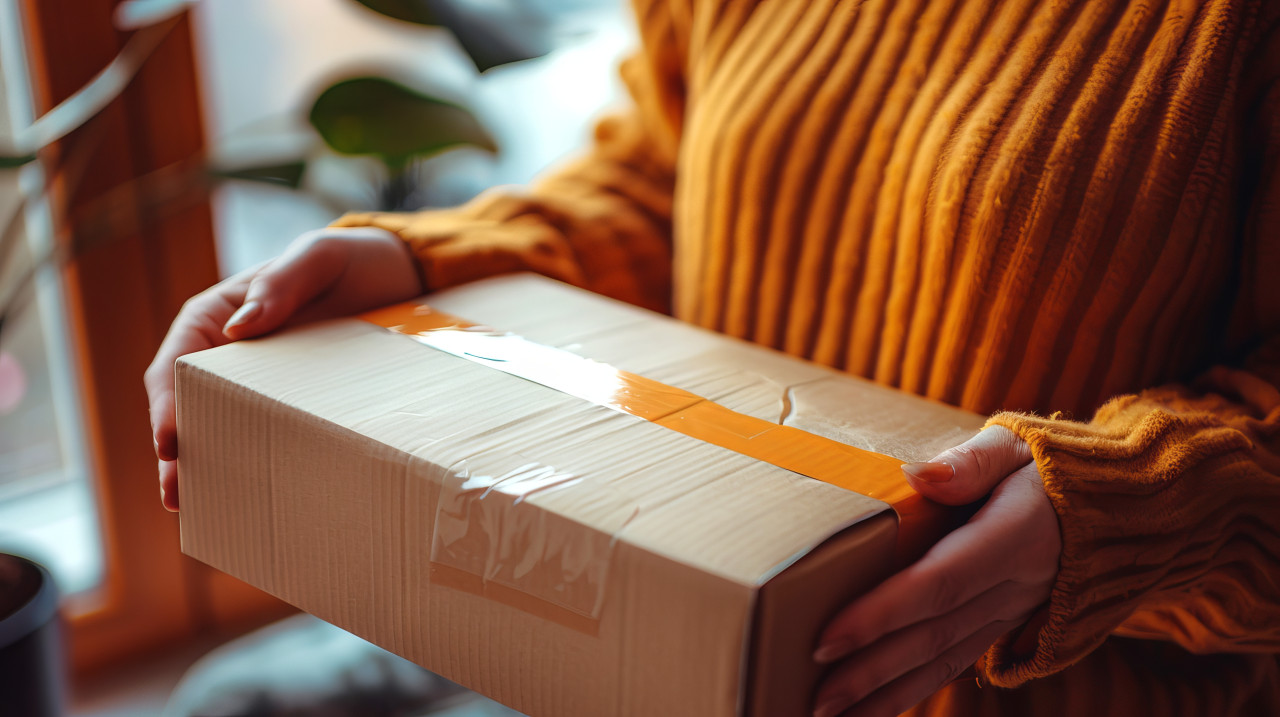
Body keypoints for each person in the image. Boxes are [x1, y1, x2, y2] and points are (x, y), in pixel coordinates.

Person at [145, 0, 1280, 714]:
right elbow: (651, 186)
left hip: (1026, 687)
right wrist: (419, 262)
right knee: (231, 698)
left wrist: (1113, 517)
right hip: (666, 584)